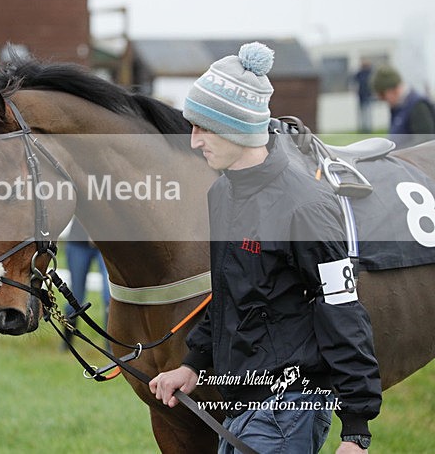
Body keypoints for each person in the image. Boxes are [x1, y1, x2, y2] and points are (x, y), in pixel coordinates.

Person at [149, 42, 381, 454]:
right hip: (241, 405)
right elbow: (229, 296)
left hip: (290, 409)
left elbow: (342, 308)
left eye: (203, 127)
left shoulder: (306, 206)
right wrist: (192, 365)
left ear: (236, 128)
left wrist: (356, 429)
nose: (193, 142)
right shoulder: (222, 193)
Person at [62, 218, 110, 348]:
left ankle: (110, 346)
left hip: (108, 243)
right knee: (75, 297)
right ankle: (67, 342)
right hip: (78, 243)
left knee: (110, 295)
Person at [371, 65, 435, 148]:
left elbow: (425, 142)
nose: (382, 100)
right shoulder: (398, 107)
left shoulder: (418, 106)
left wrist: (397, 153)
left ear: (394, 89)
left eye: (382, 95)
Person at [352, 60, 374, 133]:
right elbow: (353, 79)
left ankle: (368, 129)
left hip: (367, 96)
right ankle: (363, 128)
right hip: (361, 97)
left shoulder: (370, 73)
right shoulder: (360, 73)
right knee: (362, 114)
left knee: (367, 113)